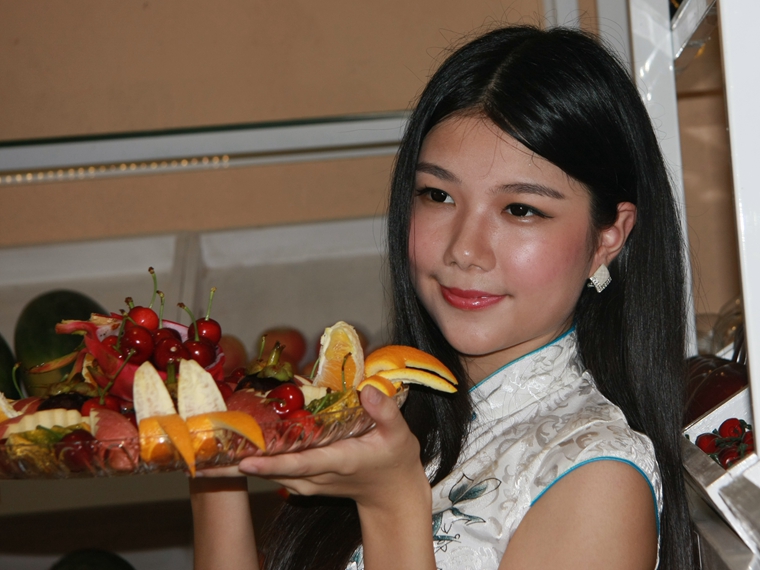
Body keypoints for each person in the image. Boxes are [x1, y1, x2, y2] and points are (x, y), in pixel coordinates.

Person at [190, 25, 695, 570]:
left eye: (520, 209)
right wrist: (213, 462)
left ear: (608, 237)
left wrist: (391, 502)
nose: (464, 250)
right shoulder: (394, 408)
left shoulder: (598, 475)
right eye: (437, 195)